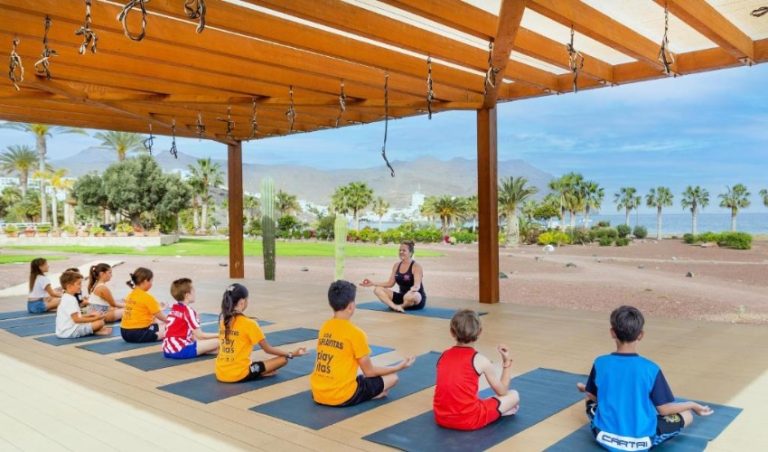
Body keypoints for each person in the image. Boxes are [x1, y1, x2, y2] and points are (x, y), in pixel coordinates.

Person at [577, 305, 714, 451]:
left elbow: (592, 396)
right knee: (687, 415)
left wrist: (589, 390)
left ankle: (589, 391)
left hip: (603, 435)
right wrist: (692, 405)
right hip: (642, 442)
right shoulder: (651, 369)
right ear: (641, 335)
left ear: (612, 333)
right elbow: (664, 409)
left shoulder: (600, 363)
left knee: (589, 398)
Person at [310, 280, 415, 407]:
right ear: (351, 306)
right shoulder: (356, 333)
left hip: (318, 393)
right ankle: (374, 394)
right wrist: (398, 367)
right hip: (342, 396)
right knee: (392, 377)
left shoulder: (324, 327)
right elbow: (369, 372)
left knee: (359, 373)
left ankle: (372, 392)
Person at [433, 309, 520, 430]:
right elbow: (502, 391)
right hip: (469, 420)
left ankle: (495, 409)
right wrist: (506, 362)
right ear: (479, 332)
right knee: (514, 395)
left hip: (441, 418)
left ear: (452, 332)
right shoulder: (481, 360)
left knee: (481, 400)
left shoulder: (443, 356)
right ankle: (499, 411)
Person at [215, 283, 307, 383]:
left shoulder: (223, 322)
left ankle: (259, 371)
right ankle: (260, 373)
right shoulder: (249, 323)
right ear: (242, 302)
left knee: (255, 361)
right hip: (238, 374)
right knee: (283, 359)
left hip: (220, 373)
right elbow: (267, 349)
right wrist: (292, 354)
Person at [360, 240, 426, 312]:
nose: (401, 252)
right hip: (402, 297)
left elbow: (417, 285)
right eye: (400, 250)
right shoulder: (396, 265)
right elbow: (390, 283)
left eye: (404, 250)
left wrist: (413, 289)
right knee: (377, 289)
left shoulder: (416, 266)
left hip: (414, 299)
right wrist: (372, 283)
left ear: (410, 253)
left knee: (412, 295)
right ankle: (394, 306)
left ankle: (401, 306)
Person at [163, 278, 219, 359]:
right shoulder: (188, 311)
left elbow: (193, 336)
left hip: (167, 350)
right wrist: (220, 335)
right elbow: (200, 336)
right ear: (187, 295)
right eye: (193, 291)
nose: (195, 293)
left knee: (213, 346)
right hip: (181, 350)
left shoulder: (174, 308)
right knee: (220, 341)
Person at [55, 270, 111, 338]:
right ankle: (96, 331)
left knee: (95, 318)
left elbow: (76, 316)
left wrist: (90, 315)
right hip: (70, 331)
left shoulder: (66, 297)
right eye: (78, 284)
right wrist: (95, 318)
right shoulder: (70, 300)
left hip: (65, 330)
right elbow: (77, 320)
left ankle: (96, 329)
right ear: (69, 286)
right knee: (100, 322)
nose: (80, 286)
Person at [120, 267, 167, 343]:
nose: (152, 284)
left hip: (124, 332)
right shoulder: (147, 297)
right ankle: (158, 335)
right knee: (166, 327)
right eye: (151, 281)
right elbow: (159, 315)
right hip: (138, 333)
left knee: (156, 321)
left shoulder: (130, 295)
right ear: (145, 281)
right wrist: (169, 321)